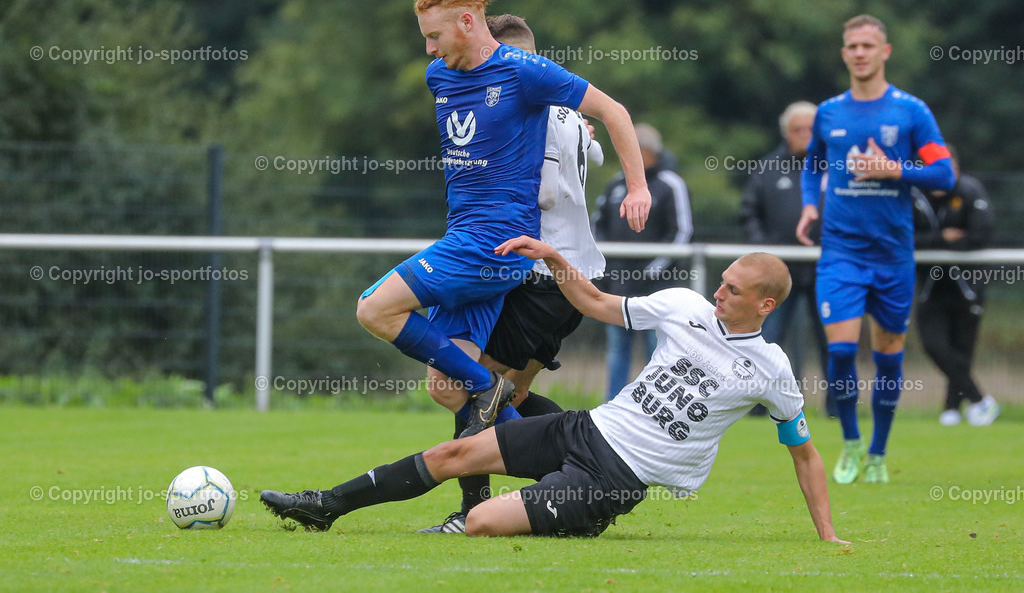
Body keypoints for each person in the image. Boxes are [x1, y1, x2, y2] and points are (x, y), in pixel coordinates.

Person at [261, 240, 847, 544]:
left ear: (766, 305)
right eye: (722, 281)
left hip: (614, 480)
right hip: (588, 429)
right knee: (453, 453)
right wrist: (552, 257)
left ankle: (570, 515)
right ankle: (325, 507)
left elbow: (804, 452)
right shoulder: (682, 307)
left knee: (485, 522)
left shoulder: (772, 370)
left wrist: (826, 534)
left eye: (735, 290)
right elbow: (593, 303)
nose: (719, 292)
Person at [356, 0, 651, 439]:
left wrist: (638, 187)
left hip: (493, 242)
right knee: (447, 389)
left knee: (374, 309)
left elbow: (613, 111)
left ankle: (487, 387)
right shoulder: (439, 76)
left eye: (435, 36)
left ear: (469, 23)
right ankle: (557, 475)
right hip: (464, 235)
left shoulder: (524, 71)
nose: (429, 49)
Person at [419, 13, 608, 534]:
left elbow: (543, 190)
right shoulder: (567, 112)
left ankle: (473, 509)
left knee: (468, 384)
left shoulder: (526, 110)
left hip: (541, 276)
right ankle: (586, 471)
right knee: (509, 397)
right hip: (571, 278)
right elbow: (591, 149)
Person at [796, 14, 955, 485]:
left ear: (885, 52)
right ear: (844, 54)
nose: (860, 53)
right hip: (841, 251)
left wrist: (895, 170)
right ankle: (850, 443)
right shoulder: (828, 112)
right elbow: (812, 168)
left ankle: (879, 453)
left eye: (869, 45)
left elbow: (943, 175)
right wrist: (809, 207)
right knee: (841, 352)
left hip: (892, 255)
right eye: (852, 46)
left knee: (888, 355)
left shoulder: (911, 111)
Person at [740, 101, 835, 417]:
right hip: (778, 277)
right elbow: (749, 214)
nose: (805, 136)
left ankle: (839, 409)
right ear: (786, 133)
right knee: (766, 340)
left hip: (828, 270)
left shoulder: (836, 166)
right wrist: (764, 256)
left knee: (834, 341)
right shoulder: (767, 168)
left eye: (811, 129)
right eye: (798, 130)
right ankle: (756, 408)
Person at [594, 124, 692, 399]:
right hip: (618, 285)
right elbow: (596, 224)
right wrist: (603, 265)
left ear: (646, 152)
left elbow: (682, 232)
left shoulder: (671, 184)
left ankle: (654, 402)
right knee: (618, 351)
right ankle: (612, 404)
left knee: (657, 351)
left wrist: (652, 270)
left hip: (656, 288)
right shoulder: (615, 182)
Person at [912, 148, 999, 426]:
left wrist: (941, 243)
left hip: (968, 286)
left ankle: (951, 408)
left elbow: (981, 234)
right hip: (930, 287)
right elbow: (904, 238)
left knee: (963, 349)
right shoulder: (913, 196)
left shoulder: (971, 190)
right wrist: (942, 238)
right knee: (934, 345)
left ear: (956, 171)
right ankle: (980, 400)